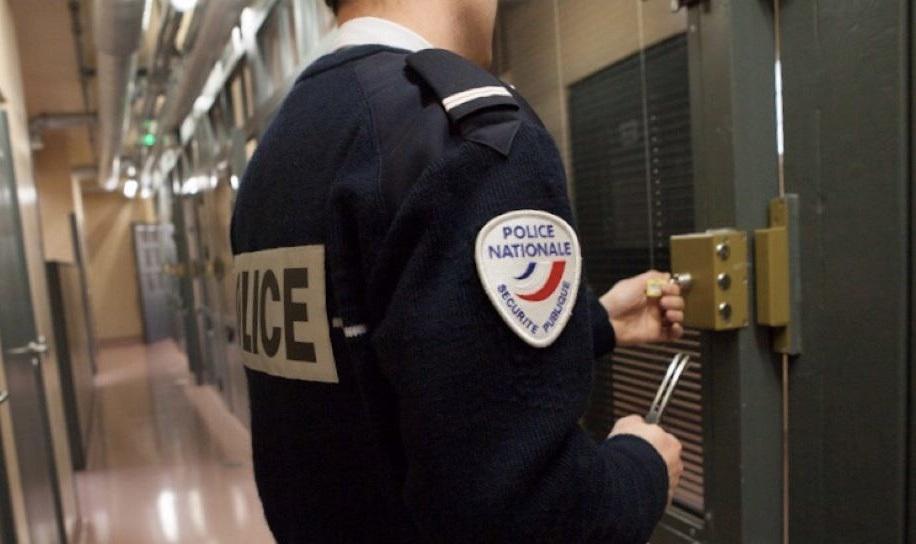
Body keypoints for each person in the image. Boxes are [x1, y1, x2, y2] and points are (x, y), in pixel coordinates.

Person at [230, 0, 685, 541]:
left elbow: (384, 364)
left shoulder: (284, 147)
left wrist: (597, 321)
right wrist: (641, 468)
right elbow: (530, 517)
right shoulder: (465, 140)